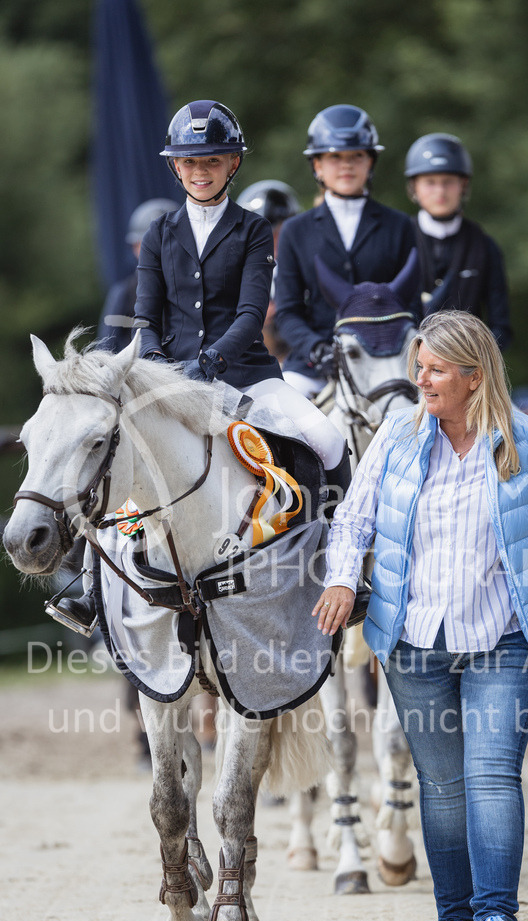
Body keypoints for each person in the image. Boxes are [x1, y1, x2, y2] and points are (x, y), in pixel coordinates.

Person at [313, 309, 528, 921]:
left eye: (435, 369)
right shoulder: (398, 433)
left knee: (491, 779)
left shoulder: (525, 441)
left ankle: (497, 918)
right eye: (419, 367)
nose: (421, 378)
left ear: (473, 377)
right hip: (413, 642)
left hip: (503, 637)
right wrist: (342, 581)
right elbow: (352, 517)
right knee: (440, 788)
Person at [54, 101, 347, 635]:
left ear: (232, 164)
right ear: (176, 168)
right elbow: (146, 317)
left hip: (248, 374)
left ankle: (342, 571)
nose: (201, 171)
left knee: (326, 439)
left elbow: (251, 313)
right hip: (173, 382)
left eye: (212, 160)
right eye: (190, 163)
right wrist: (164, 368)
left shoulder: (254, 229)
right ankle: (90, 589)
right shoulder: (161, 233)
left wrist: (212, 361)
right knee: (114, 456)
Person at [275, 103, 420, 398]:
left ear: (370, 162)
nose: (346, 165)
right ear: (317, 165)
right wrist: (318, 349)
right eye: (334, 157)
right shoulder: (296, 231)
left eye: (356, 156)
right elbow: (288, 312)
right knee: (278, 415)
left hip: (386, 362)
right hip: (316, 365)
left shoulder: (399, 226)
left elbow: (413, 305)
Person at [405, 133, 512, 351]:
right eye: (430, 182)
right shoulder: (397, 239)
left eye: (448, 182)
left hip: (465, 368)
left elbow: (501, 327)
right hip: (405, 368)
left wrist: (472, 358)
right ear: (414, 186)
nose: (440, 192)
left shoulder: (484, 246)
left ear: (463, 185)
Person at [98, 198, 180, 353]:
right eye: (147, 245)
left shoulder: (201, 285)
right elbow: (104, 351)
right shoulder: (124, 294)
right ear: (136, 248)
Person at [237, 180, 300, 363]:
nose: (271, 243)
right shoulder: (235, 266)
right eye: (262, 237)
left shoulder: (306, 259)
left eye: (278, 234)